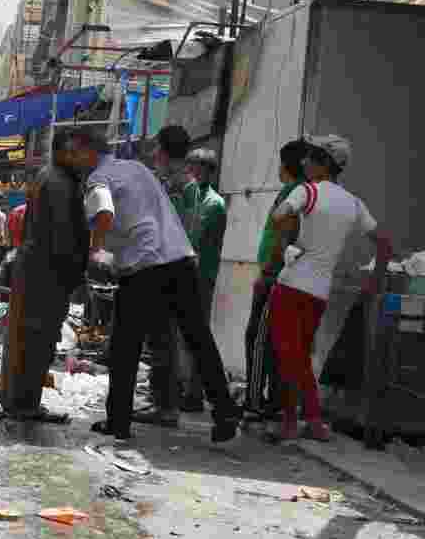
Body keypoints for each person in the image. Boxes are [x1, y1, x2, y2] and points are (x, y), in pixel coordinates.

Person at [81, 125, 242, 443]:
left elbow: (102, 208)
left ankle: (119, 421)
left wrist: (96, 249)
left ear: (88, 154)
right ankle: (224, 413)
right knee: (198, 339)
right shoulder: (138, 169)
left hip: (145, 267)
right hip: (180, 260)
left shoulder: (99, 178)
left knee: (125, 346)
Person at [268, 134, 391, 441]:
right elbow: (385, 244)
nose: (305, 162)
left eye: (311, 157)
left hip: (292, 284)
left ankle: (294, 421)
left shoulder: (306, 191)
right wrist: (374, 281)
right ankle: (311, 419)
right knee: (300, 355)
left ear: (324, 164)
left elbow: (278, 216)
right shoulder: (354, 204)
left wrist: (287, 246)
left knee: (288, 355)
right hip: (320, 292)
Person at [0, 129, 90, 421]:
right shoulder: (59, 182)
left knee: (26, 336)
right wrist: (74, 274)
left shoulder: (50, 177)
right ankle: (24, 404)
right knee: (37, 338)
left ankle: (17, 401)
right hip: (47, 272)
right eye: (75, 152)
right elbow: (62, 235)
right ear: (63, 152)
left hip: (36, 267)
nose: (81, 158)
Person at [132, 126, 195, 426]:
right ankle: (162, 401)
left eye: (157, 147)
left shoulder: (181, 187)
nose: (154, 153)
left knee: (164, 337)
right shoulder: (174, 183)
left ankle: (167, 407)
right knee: (160, 338)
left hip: (168, 268)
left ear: (164, 150)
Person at [245, 141, 307, 419]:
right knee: (271, 341)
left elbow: (283, 237)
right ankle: (271, 402)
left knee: (257, 339)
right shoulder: (291, 191)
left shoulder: (295, 194)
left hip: (276, 276)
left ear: (287, 165)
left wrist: (268, 271)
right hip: (281, 276)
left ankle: (255, 402)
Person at [174, 148, 227, 411]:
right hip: (179, 272)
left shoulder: (215, 204)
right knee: (174, 333)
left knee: (194, 335)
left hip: (200, 277)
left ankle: (194, 393)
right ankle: (175, 387)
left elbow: (209, 246)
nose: (191, 172)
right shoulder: (185, 197)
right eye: (190, 166)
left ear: (207, 171)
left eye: (196, 167)